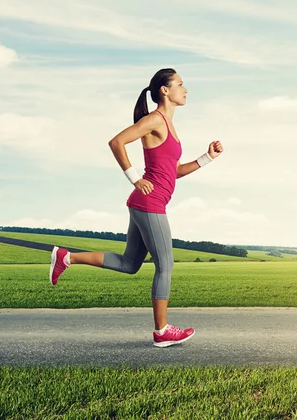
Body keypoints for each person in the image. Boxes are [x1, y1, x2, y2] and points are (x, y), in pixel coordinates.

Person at [49, 68, 223, 347]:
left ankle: (66, 257)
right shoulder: (154, 119)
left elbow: (174, 171)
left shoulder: (168, 125)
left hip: (146, 204)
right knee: (165, 265)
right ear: (165, 90)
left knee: (131, 264)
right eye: (180, 84)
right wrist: (134, 177)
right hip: (149, 204)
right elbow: (116, 142)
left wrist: (207, 158)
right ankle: (162, 331)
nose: (185, 89)